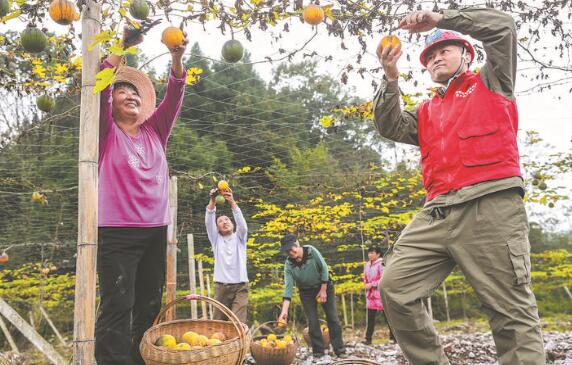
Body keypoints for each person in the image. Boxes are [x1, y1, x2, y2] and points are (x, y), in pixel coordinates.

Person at [373, 7, 545, 365]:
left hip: (490, 206)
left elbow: (503, 28)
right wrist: (390, 78)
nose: (436, 58)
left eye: (444, 50)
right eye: (430, 56)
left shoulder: (493, 81)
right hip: (437, 212)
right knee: (395, 288)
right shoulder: (426, 110)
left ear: (467, 54)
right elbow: (389, 125)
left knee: (509, 310)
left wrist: (441, 20)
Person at [95, 25, 188, 365]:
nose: (130, 96)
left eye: (135, 93)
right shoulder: (106, 134)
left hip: (154, 230)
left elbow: (175, 94)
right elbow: (99, 86)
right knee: (119, 302)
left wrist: (177, 57)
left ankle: (138, 359)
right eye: (123, 93)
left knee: (149, 302)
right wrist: (121, 47)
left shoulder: (155, 131)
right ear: (113, 102)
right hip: (117, 231)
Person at [277, 234, 346, 361]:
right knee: (312, 321)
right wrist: (284, 311)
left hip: (324, 286)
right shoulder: (288, 265)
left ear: (297, 243)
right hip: (306, 292)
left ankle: (340, 350)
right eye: (287, 251)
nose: (291, 252)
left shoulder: (311, 250)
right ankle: (318, 352)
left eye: (292, 248)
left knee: (333, 318)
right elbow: (288, 288)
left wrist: (323, 290)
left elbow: (324, 268)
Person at [205, 188, 249, 323]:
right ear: (217, 228)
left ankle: (238, 344)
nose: (224, 222)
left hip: (241, 286)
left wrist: (232, 202)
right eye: (220, 221)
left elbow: (243, 226)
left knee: (238, 323)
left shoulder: (240, 238)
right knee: (219, 323)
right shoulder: (216, 240)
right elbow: (208, 221)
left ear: (232, 223)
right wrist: (212, 201)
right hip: (221, 287)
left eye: (227, 219)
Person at [363, 245, 394, 345]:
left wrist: (372, 285)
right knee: (370, 318)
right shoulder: (367, 265)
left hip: (380, 294)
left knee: (388, 317)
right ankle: (368, 339)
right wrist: (366, 285)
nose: (370, 255)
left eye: (372, 253)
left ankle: (394, 338)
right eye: (369, 253)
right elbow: (365, 278)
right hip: (370, 297)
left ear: (378, 254)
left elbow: (383, 278)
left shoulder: (381, 264)